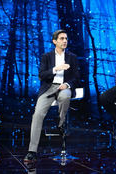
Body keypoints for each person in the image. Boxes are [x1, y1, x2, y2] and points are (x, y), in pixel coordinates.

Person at [24, 30, 79, 163]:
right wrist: (56, 69)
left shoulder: (72, 57)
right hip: (49, 88)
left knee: (65, 96)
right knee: (37, 115)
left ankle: (60, 123)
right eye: (61, 39)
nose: (65, 41)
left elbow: (77, 77)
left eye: (66, 38)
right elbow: (42, 75)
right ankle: (32, 151)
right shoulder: (46, 57)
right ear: (55, 41)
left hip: (64, 87)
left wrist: (67, 84)